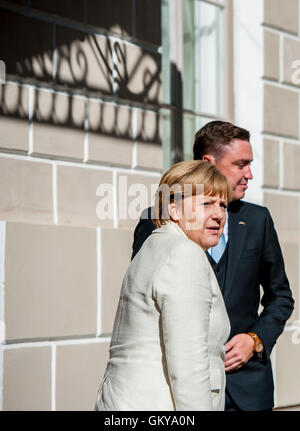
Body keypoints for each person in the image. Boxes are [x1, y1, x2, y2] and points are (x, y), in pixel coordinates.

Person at [131, 121, 294, 411]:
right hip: (178, 394)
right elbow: (143, 301)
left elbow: (281, 297)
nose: (249, 175)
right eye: (241, 164)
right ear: (209, 163)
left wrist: (255, 340)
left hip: (249, 392)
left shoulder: (258, 220)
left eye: (250, 165)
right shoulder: (158, 219)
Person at [95, 160, 232, 411]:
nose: (219, 214)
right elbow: (188, 366)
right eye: (207, 203)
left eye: (223, 204)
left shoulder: (155, 245)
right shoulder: (184, 254)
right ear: (174, 209)